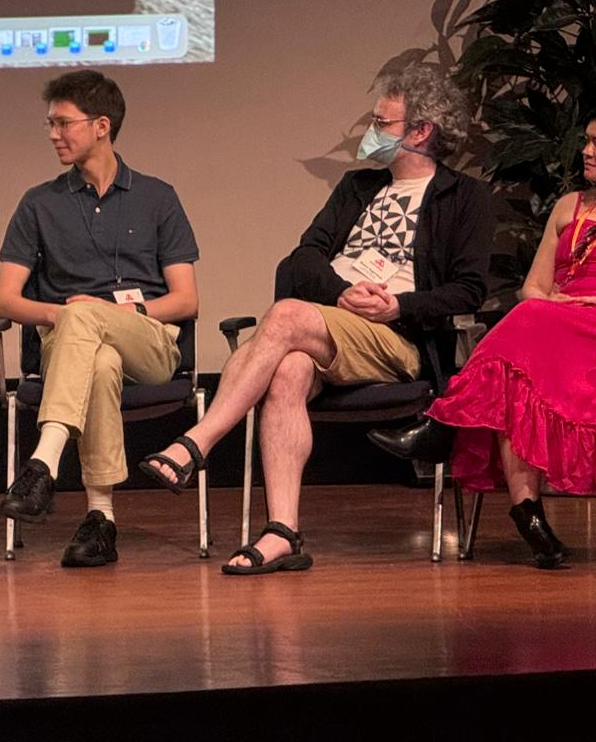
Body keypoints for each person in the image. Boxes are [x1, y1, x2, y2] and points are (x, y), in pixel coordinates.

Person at [142, 64, 490, 573]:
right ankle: (283, 533)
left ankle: (197, 442)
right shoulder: (357, 187)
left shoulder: (464, 197)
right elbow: (303, 258)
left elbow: (470, 289)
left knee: (285, 314)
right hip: (329, 322)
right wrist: (342, 293)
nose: (372, 131)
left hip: (395, 335)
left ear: (421, 132)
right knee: (287, 370)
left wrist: (398, 305)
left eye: (383, 123)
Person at [371, 112, 596, 570]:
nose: (587, 151)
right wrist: (553, 304)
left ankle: (443, 426)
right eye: (588, 140)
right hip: (555, 326)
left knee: (523, 334)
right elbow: (532, 288)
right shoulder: (568, 206)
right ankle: (529, 516)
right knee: (514, 376)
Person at [0, 71, 200, 568]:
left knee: (89, 317)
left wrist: (112, 312)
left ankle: (44, 461)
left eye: (63, 123)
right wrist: (64, 316)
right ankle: (100, 519)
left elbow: (186, 300)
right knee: (100, 360)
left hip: (149, 341)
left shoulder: (157, 197)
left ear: (101, 126)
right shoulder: (39, 203)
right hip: (70, 345)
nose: (53, 134)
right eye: (50, 124)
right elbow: (4, 301)